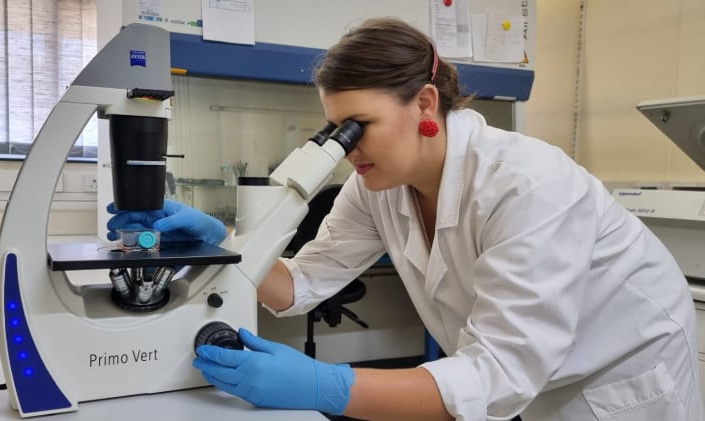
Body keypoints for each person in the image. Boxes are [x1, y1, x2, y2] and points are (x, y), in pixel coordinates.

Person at [107, 17, 704, 421]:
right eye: (335, 129)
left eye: (357, 126)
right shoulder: (379, 185)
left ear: (424, 102)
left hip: (623, 372)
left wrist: (328, 386)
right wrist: (225, 247)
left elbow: (499, 370)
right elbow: (300, 284)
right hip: (531, 376)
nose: (345, 148)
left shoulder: (526, 184)